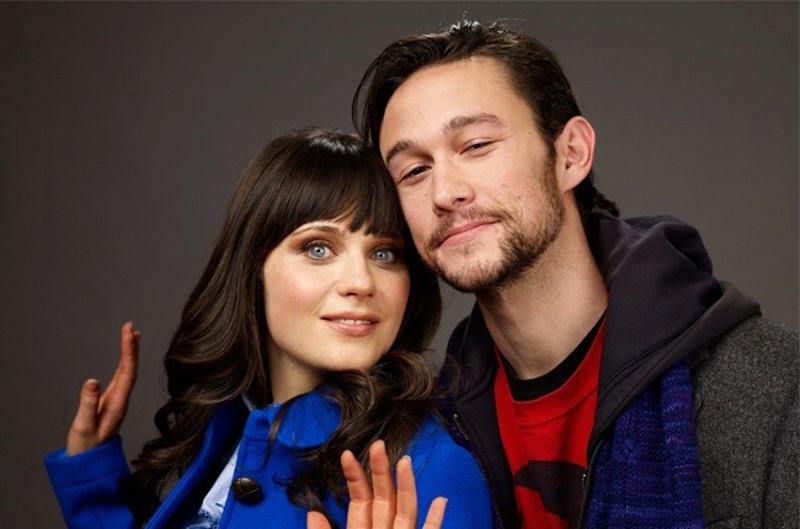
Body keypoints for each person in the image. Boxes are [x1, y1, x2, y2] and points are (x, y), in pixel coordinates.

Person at [348, 20, 799, 529]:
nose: (445, 192)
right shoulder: (425, 437)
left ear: (571, 154)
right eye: (414, 171)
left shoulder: (773, 387)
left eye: (476, 145)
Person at [44, 128, 493, 529]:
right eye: (318, 249)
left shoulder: (430, 469)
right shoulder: (227, 428)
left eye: (384, 254)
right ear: (252, 268)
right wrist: (91, 480)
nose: (361, 283)